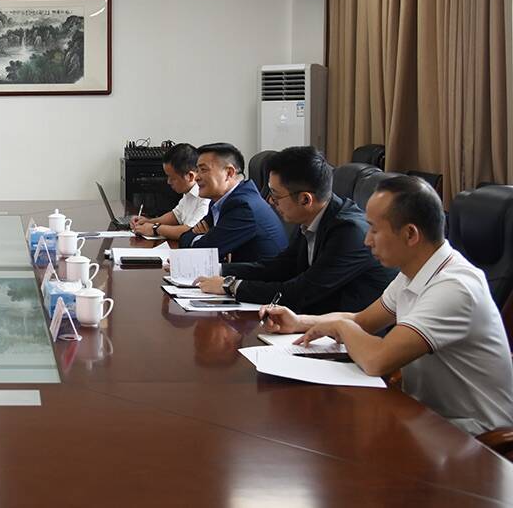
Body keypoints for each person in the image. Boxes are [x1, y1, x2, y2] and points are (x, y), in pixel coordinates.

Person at [261, 175, 513, 435]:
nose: (367, 240)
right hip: (425, 415)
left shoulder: (454, 287)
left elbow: (377, 360)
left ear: (410, 234)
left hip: (474, 435)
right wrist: (298, 322)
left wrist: (340, 326)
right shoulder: (413, 272)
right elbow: (362, 321)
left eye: (374, 229)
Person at [195, 146, 397, 314]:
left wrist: (230, 286)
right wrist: (218, 270)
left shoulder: (349, 232)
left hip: (351, 337)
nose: (270, 202)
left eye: (276, 196)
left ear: (305, 199)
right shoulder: (313, 219)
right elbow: (280, 267)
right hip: (317, 323)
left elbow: (301, 292)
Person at [178, 142, 287, 262]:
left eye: (203, 170)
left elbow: (202, 252)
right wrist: (205, 238)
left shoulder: (243, 206)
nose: (197, 177)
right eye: (197, 170)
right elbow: (185, 238)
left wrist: (203, 238)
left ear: (229, 173)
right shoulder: (218, 202)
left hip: (261, 273)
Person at [131, 142, 210, 241]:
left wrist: (155, 229)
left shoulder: (206, 197)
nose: (168, 182)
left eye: (172, 178)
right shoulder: (188, 193)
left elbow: (190, 231)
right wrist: (148, 222)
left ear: (190, 176)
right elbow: (175, 216)